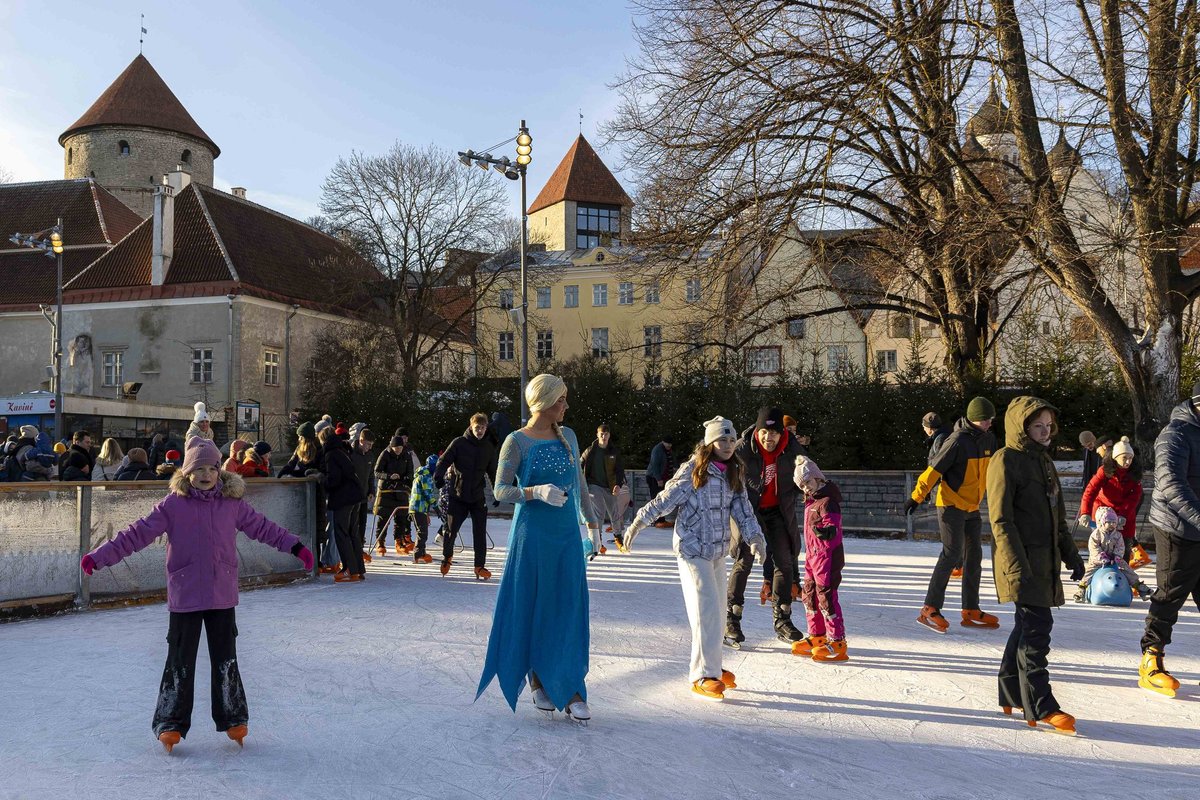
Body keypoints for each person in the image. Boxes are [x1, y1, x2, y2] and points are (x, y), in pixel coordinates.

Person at [79, 436, 313, 753]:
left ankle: (233, 717)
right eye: (198, 468)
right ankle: (170, 722)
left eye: (211, 468)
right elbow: (137, 534)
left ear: (219, 471)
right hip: (186, 594)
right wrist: (100, 556)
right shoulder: (173, 505)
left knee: (225, 660)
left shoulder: (232, 504)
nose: (205, 474)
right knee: (179, 661)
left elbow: (264, 528)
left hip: (221, 593)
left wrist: (296, 546)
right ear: (188, 472)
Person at [477, 374, 600, 722]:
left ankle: (572, 685)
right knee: (536, 605)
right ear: (545, 403)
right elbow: (501, 490)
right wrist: (535, 491)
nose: (566, 406)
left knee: (568, 607)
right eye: (561, 400)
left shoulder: (570, 436)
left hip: (564, 537)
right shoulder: (516, 442)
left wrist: (592, 527)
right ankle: (537, 680)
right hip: (531, 536)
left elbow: (579, 483)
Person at [621, 417, 765, 700]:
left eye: (730, 440)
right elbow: (665, 499)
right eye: (720, 440)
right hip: (692, 549)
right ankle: (702, 675)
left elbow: (744, 511)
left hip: (716, 550)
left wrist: (755, 538)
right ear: (710, 443)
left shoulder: (734, 471)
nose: (726, 445)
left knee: (719, 610)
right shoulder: (694, 470)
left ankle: (712, 666)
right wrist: (639, 521)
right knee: (706, 611)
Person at [988, 397, 1085, 734]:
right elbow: (1001, 520)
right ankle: (1042, 705)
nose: (1045, 433)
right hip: (1021, 562)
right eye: (1037, 427)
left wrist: (1072, 555)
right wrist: (1016, 567)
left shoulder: (1044, 461)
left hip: (1045, 562)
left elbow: (1057, 517)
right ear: (1022, 427)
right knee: (1036, 630)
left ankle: (1011, 692)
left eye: (1048, 426)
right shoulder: (1006, 460)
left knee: (1027, 626)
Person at [904, 397, 999, 633]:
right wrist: (916, 497)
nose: (989, 423)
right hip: (949, 504)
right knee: (951, 553)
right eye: (985, 419)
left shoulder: (989, 439)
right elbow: (934, 469)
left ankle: (970, 609)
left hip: (972, 506)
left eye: (991, 419)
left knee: (974, 556)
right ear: (973, 418)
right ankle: (930, 607)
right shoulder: (957, 440)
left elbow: (997, 470)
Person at [725, 407, 807, 647]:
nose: (768, 438)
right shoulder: (742, 449)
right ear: (757, 430)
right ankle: (732, 617)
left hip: (779, 512)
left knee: (784, 560)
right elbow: (721, 470)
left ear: (781, 434)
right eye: (764, 432)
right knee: (745, 559)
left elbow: (807, 472)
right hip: (749, 511)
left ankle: (782, 618)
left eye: (773, 433)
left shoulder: (792, 449)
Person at [1139, 382, 1200, 698]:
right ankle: (1151, 660)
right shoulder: (1175, 434)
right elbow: (1172, 485)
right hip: (1177, 528)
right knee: (1171, 593)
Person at [791, 457, 850, 662]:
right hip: (812, 557)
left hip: (828, 557)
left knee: (826, 597)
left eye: (807, 482)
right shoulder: (811, 502)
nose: (806, 488)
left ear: (817, 478)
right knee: (809, 594)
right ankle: (817, 635)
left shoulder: (828, 501)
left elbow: (833, 524)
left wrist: (828, 531)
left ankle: (837, 640)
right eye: (802, 485)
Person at [433, 413, 500, 580]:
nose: (480, 431)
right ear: (471, 426)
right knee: (450, 531)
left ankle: (479, 566)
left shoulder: (488, 447)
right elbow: (444, 460)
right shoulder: (459, 443)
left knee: (480, 533)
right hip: (458, 495)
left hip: (477, 497)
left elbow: (493, 472)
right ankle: (447, 557)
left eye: (483, 428)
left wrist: (497, 491)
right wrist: (438, 477)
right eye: (477, 428)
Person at [1079, 436, 1148, 569]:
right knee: (1101, 548)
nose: (1128, 461)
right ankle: (1095, 579)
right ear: (1116, 457)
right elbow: (1090, 490)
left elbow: (1135, 497)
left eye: (1130, 458)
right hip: (1104, 512)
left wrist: (1123, 514)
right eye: (1124, 458)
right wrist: (1085, 512)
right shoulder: (1104, 471)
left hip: (1125, 515)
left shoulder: (1134, 474)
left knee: (1124, 549)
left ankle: (1122, 580)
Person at [318, 427, 367, 583]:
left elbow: (334, 479)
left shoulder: (331, 454)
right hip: (355, 495)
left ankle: (349, 569)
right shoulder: (343, 451)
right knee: (353, 533)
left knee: (341, 533)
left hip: (343, 498)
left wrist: (320, 478)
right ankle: (357, 569)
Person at [1074, 506, 1150, 602]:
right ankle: (1082, 589)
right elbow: (1094, 548)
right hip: (1097, 560)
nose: (1112, 525)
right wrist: (1101, 556)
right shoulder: (1096, 534)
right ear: (1101, 522)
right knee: (1089, 572)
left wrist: (1117, 556)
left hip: (1115, 559)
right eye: (1109, 522)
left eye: (1114, 522)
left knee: (1127, 569)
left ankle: (1139, 587)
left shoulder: (1118, 535)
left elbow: (1121, 546)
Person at [921, 412, 961, 579]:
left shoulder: (940, 440)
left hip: (945, 491)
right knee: (955, 531)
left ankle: (957, 565)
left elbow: (937, 467)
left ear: (928, 428)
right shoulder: (945, 436)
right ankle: (959, 564)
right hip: (948, 490)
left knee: (950, 532)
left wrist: (927, 489)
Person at [581, 423, 631, 546]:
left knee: (614, 511)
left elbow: (619, 470)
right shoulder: (590, 450)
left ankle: (618, 537)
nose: (604, 436)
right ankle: (598, 540)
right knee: (600, 512)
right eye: (601, 434)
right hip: (594, 485)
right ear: (597, 435)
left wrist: (618, 485)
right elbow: (579, 464)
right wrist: (581, 481)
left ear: (609, 435)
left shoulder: (613, 451)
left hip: (610, 486)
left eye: (606, 434)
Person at [373, 434, 415, 555]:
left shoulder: (407, 456)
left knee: (401, 518)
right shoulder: (385, 454)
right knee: (384, 518)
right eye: (395, 449)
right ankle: (380, 542)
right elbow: (377, 472)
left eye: (400, 448)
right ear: (391, 447)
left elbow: (410, 473)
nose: (397, 451)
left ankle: (399, 542)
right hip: (387, 491)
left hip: (401, 491)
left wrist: (403, 479)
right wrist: (389, 476)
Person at [347, 428, 375, 565]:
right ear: (361, 441)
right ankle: (351, 550)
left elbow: (370, 475)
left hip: (364, 496)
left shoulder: (370, 456)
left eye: (372, 445)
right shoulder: (351, 453)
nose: (370, 447)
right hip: (352, 497)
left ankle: (360, 549)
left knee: (363, 524)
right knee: (353, 524)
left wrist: (372, 491)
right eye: (368, 444)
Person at [408, 454, 438, 564]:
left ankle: (422, 552)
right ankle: (417, 554)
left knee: (421, 531)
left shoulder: (421, 474)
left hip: (416, 507)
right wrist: (436, 506)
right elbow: (428, 493)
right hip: (419, 507)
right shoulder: (426, 476)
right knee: (422, 532)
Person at [645, 435, 675, 528]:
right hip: (654, 478)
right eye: (667, 443)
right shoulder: (657, 450)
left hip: (664, 478)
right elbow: (655, 466)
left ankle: (661, 520)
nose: (669, 445)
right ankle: (656, 520)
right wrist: (659, 479)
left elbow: (670, 461)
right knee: (656, 500)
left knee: (663, 499)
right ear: (663, 442)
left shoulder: (668, 450)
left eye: (670, 444)